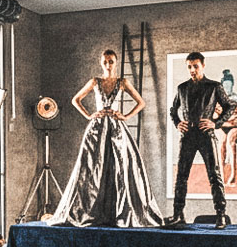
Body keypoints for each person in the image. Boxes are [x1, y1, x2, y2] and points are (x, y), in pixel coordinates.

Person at [49, 49, 163, 227]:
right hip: (97, 128)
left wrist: (125, 115)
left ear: (115, 63)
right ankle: (93, 211)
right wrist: (90, 115)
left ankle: (119, 213)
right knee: (92, 169)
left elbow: (141, 102)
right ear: (101, 63)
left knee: (121, 167)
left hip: (117, 129)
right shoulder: (95, 81)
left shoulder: (122, 82)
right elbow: (75, 100)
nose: (108, 65)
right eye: (105, 62)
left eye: (111, 62)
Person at [167, 52, 237, 229]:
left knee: (214, 175)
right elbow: (172, 110)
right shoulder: (182, 88)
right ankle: (178, 214)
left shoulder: (214, 86)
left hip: (206, 135)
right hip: (188, 136)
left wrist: (216, 123)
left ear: (203, 66)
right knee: (181, 176)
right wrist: (177, 123)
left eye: (195, 66)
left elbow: (231, 106)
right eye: (189, 66)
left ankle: (220, 215)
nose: (192, 70)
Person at [219, 70, 237, 185]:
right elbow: (215, 116)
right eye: (225, 85)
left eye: (229, 84)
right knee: (221, 145)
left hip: (233, 127)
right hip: (222, 127)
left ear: (232, 85)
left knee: (231, 143)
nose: (227, 87)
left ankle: (233, 175)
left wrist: (224, 117)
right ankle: (221, 175)